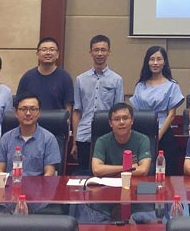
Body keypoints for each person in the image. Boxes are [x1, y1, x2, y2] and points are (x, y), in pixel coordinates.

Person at [129, 46, 184, 175]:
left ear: (164, 62)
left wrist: (158, 135)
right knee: (140, 172)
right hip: (141, 133)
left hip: (163, 133)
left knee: (165, 172)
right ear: (147, 62)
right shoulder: (140, 85)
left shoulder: (172, 85)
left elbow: (171, 115)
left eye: (159, 59)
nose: (155, 63)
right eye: (152, 59)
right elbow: (136, 112)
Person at [72, 35, 124, 172]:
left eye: (103, 50)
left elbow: (119, 112)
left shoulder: (117, 80)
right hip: (84, 135)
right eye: (96, 50)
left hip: (107, 135)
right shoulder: (80, 79)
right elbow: (77, 111)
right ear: (90, 52)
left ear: (109, 52)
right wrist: (74, 141)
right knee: (84, 173)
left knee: (106, 173)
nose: (100, 53)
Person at [0, 92, 61, 176]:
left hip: (38, 184)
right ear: (16, 113)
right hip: (12, 183)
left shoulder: (48, 139)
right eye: (23, 109)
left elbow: (49, 173)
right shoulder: (6, 138)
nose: (28, 113)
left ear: (39, 112)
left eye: (33, 109)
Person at [91, 103, 152, 176]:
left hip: (134, 182)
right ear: (110, 123)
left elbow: (143, 170)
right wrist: (128, 168)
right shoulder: (101, 141)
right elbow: (96, 170)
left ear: (132, 120)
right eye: (117, 119)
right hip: (108, 182)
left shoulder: (143, 140)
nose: (121, 122)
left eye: (125, 118)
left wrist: (111, 172)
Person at [16, 37, 74, 112]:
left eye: (52, 50)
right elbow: (18, 104)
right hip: (32, 119)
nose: (48, 53)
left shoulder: (65, 78)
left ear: (57, 54)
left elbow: (68, 106)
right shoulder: (27, 77)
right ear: (37, 54)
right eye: (44, 50)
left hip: (56, 119)